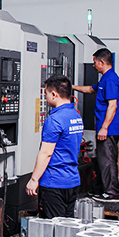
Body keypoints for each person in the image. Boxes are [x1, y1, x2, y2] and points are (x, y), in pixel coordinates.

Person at [26, 75, 84, 218]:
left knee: (52, 227)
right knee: (67, 225)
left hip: (54, 183)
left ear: (54, 94)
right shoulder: (75, 116)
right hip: (72, 181)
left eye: (46, 94)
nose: (45, 98)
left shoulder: (54, 119)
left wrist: (34, 180)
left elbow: (46, 153)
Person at [73, 48, 119, 201]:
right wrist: (70, 87)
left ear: (102, 62)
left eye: (95, 62)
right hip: (106, 127)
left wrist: (104, 127)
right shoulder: (105, 78)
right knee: (102, 159)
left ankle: (112, 193)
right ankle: (100, 189)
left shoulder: (111, 79)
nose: (94, 65)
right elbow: (90, 89)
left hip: (108, 128)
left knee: (107, 160)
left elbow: (112, 105)